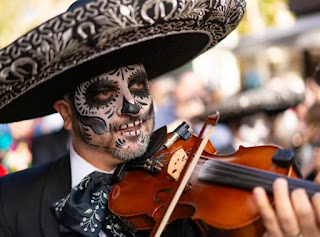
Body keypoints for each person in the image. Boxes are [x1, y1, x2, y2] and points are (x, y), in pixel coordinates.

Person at [0, 0, 319, 237]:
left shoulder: (201, 211)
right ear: (67, 114)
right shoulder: (10, 202)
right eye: (105, 94)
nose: (133, 106)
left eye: (138, 86)